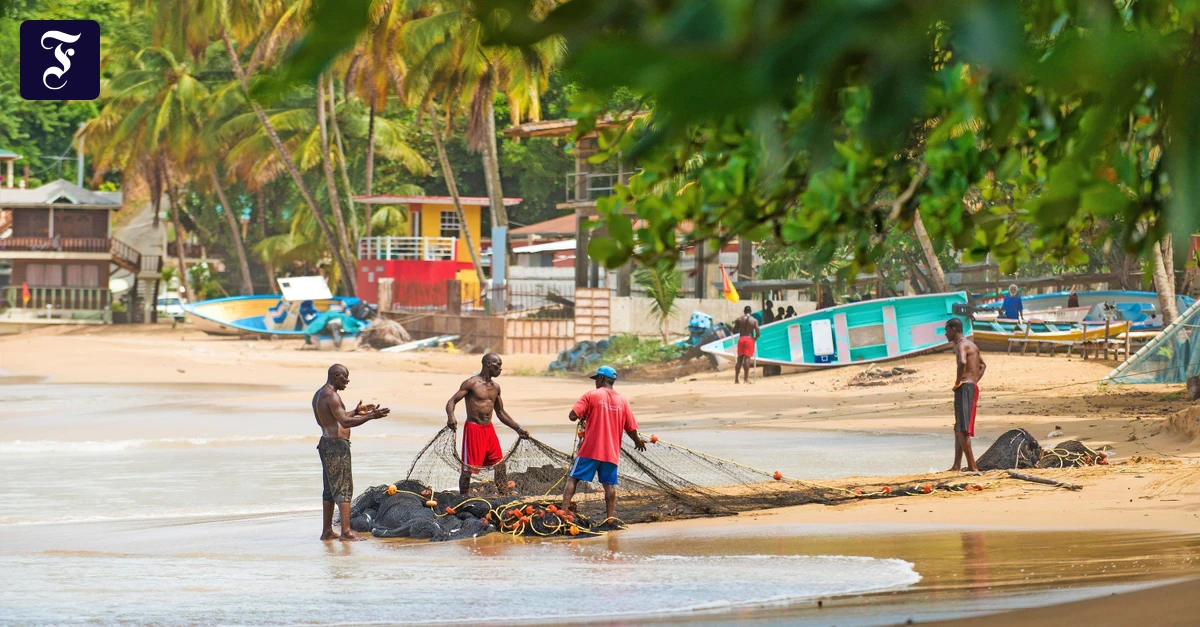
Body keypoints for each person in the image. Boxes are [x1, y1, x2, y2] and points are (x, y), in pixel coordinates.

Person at [313, 364, 391, 541]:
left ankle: (327, 531)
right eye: (345, 378)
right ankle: (346, 533)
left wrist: (356, 412)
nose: (347, 381)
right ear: (336, 375)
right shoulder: (331, 395)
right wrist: (371, 416)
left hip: (326, 443)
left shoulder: (321, 393)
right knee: (344, 488)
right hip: (336, 447)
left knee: (329, 490)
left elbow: (336, 418)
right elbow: (344, 422)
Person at [561, 366, 646, 522]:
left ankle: (562, 513)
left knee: (573, 479)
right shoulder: (622, 400)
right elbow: (631, 429)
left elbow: (572, 416)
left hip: (590, 450)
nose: (595, 383)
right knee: (609, 485)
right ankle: (610, 519)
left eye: (596, 380)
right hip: (611, 452)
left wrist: (585, 414)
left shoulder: (591, 395)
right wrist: (638, 442)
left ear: (601, 379)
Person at [446, 353, 529, 495]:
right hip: (473, 429)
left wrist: (518, 428)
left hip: (489, 430)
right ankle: (463, 499)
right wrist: (451, 416)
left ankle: (504, 496)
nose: (500, 369)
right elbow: (451, 402)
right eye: (499, 365)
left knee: (500, 465)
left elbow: (501, 412)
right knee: (468, 469)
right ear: (489, 364)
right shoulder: (471, 383)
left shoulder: (496, 387)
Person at [944, 318, 986, 472]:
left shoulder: (961, 345)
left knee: (962, 429)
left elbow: (962, 362)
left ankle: (973, 467)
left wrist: (959, 382)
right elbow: (982, 365)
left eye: (947, 330)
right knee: (958, 428)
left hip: (964, 388)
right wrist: (974, 380)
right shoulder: (972, 345)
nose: (945, 334)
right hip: (970, 387)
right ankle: (956, 466)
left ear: (953, 329)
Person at [732, 305, 760, 384]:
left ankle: (736, 380)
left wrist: (732, 327)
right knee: (747, 359)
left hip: (741, 339)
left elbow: (733, 331)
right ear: (750, 312)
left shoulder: (739, 319)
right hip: (749, 339)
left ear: (744, 311)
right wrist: (755, 338)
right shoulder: (754, 320)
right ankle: (745, 380)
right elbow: (758, 332)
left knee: (739, 359)